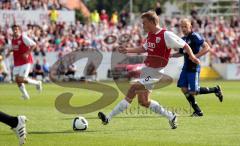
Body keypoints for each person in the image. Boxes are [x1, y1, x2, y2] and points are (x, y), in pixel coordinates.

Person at [98, 11, 200, 129]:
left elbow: (185, 45)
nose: (143, 25)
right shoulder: (150, 35)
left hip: (155, 72)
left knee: (133, 88)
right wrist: (127, 50)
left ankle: (108, 118)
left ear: (152, 22)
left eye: (144, 23)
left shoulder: (166, 35)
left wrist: (192, 57)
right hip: (147, 70)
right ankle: (171, 116)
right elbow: (143, 48)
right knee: (144, 102)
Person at [171, 18, 223, 116]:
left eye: (185, 26)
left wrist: (195, 56)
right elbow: (181, 53)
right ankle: (198, 111)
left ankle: (215, 89)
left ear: (190, 27)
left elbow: (207, 47)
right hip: (185, 67)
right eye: (182, 27)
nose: (183, 28)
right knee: (183, 88)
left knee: (194, 91)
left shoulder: (195, 36)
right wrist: (171, 55)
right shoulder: (183, 39)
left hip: (194, 67)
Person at [7, 24, 42, 100]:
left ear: (19, 30)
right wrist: (9, 52)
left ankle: (37, 83)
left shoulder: (23, 37)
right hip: (17, 62)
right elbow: (15, 49)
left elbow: (34, 45)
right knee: (17, 80)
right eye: (14, 29)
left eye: (16, 29)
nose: (15, 30)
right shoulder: (12, 39)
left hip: (26, 61)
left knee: (21, 79)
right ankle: (25, 95)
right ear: (12, 30)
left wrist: (27, 53)